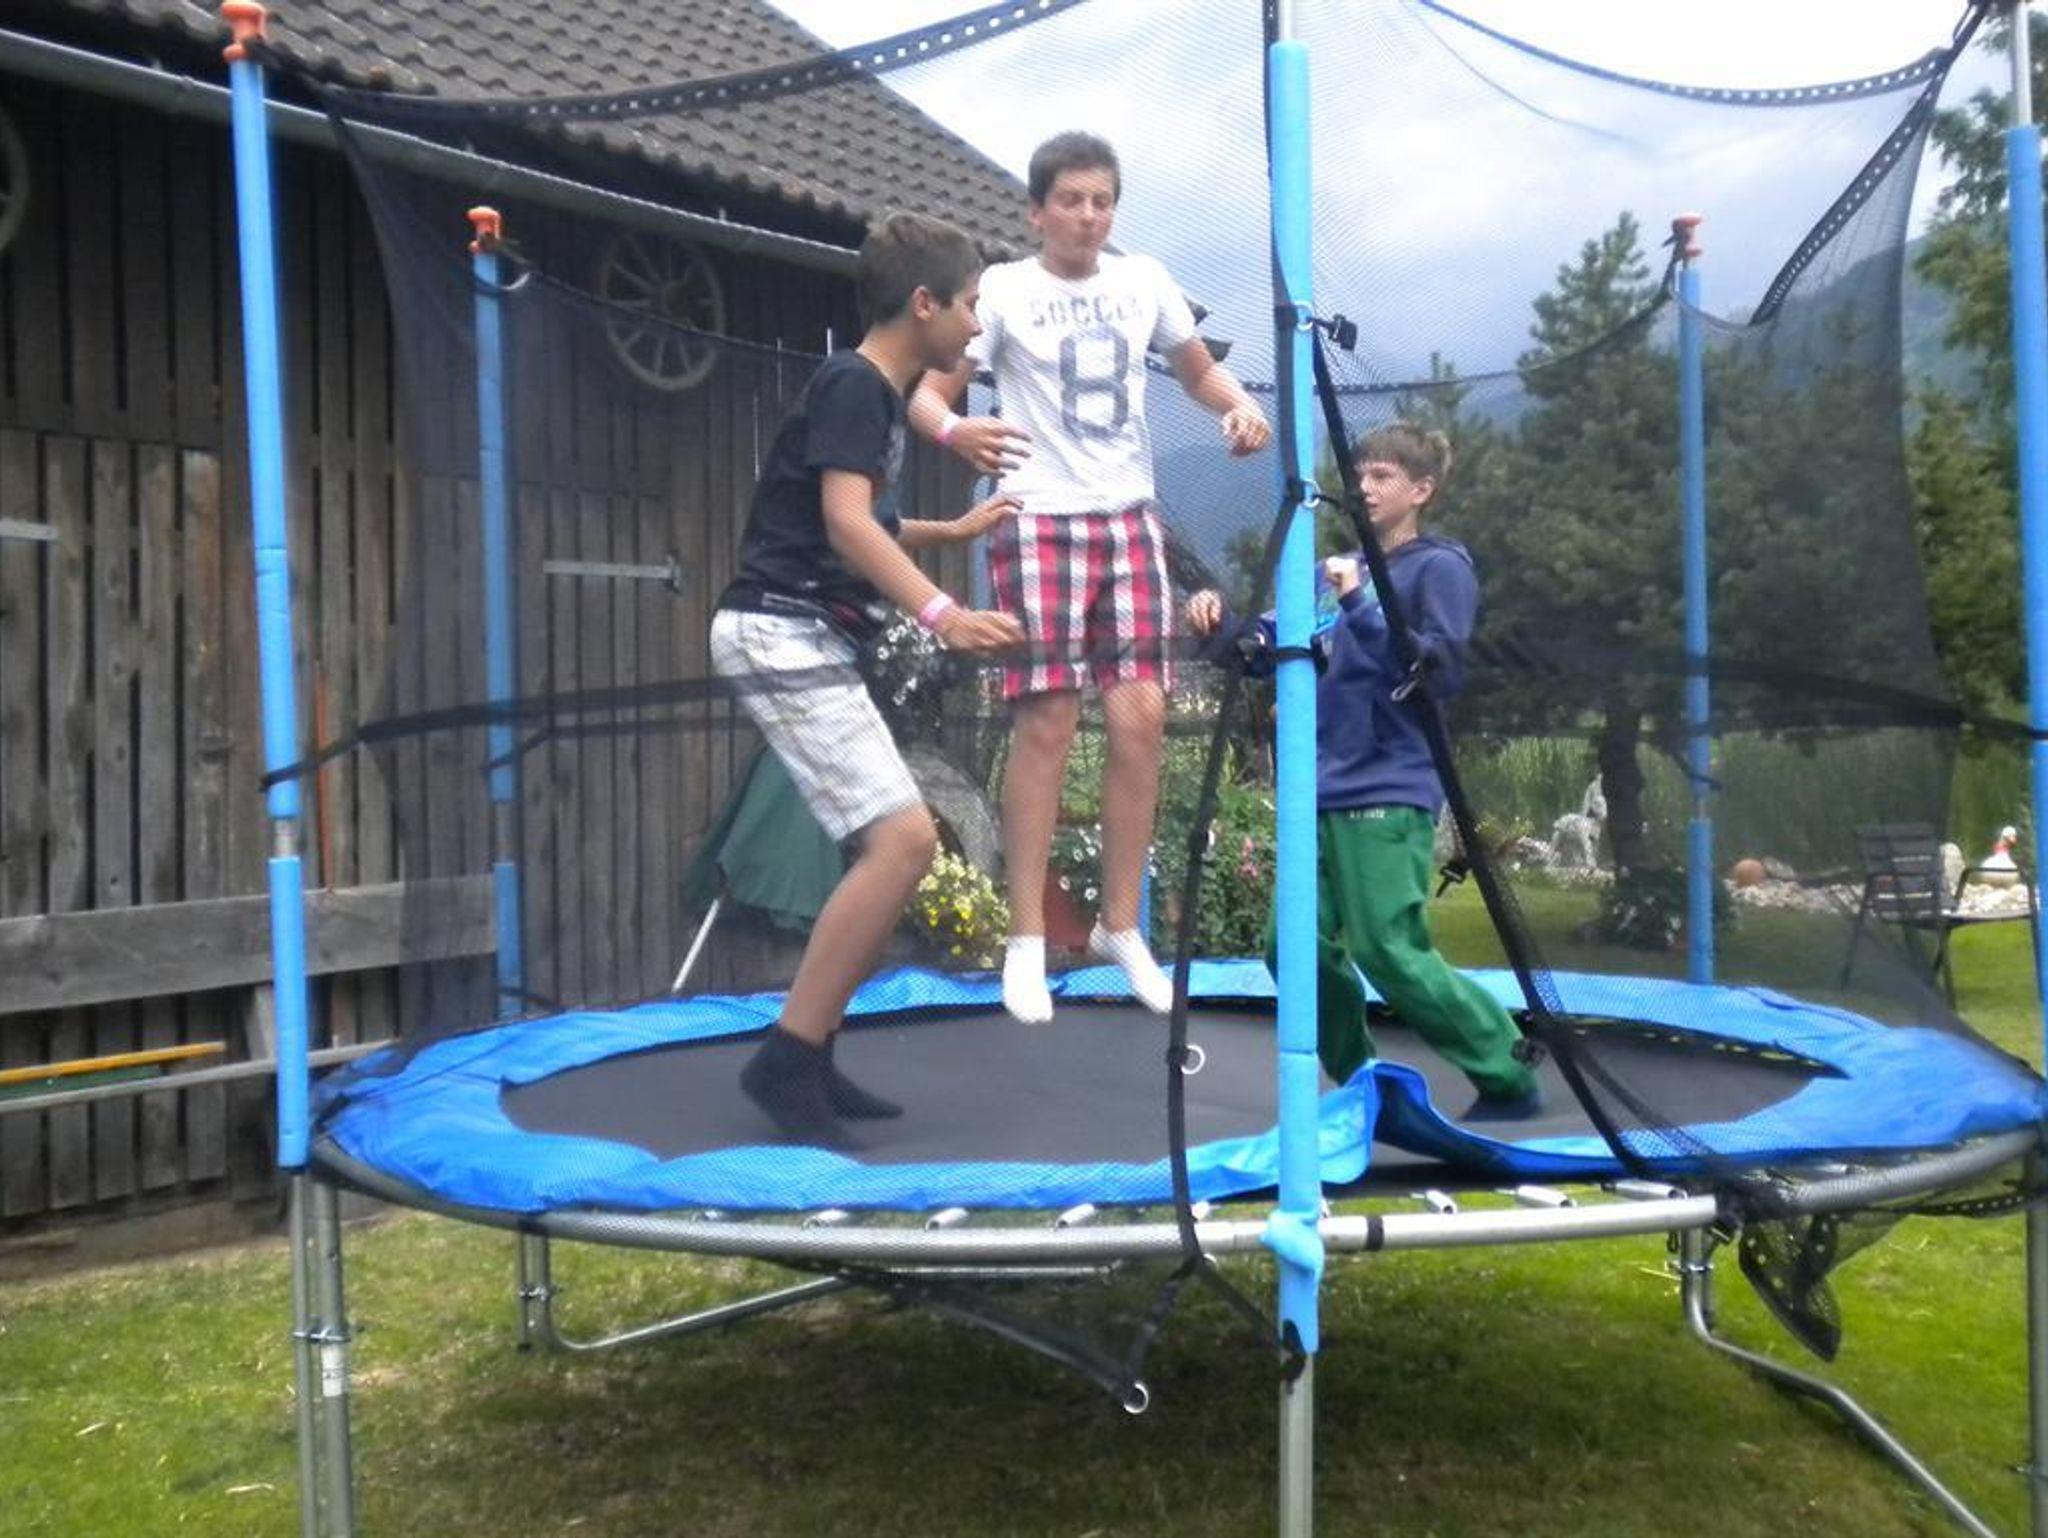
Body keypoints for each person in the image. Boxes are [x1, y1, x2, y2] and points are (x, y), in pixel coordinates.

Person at [909, 131, 1271, 1024]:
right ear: (1037, 211)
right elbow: (926, 392)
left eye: (1102, 201)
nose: (1088, 215)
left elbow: (1198, 370)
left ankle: (1120, 926)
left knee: (1141, 717)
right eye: (1071, 200)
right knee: (1048, 721)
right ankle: (1027, 940)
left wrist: (1238, 407)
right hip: (1039, 516)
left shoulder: (1143, 281)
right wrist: (955, 431)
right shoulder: (1003, 289)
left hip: (1127, 517)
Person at [712, 212, 1025, 1147]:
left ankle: (811, 1052)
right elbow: (845, 524)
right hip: (780, 630)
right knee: (904, 840)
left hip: (802, 630)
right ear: (924, 303)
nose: (977, 325)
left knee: (891, 847)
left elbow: (854, 519)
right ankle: (788, 1058)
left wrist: (950, 535)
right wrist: (942, 613)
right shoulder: (856, 384)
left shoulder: (873, 396)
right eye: (969, 304)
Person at [1186, 423, 1541, 1120]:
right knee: (1290, 947)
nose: (1366, 487)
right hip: (1317, 789)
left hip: (1389, 784)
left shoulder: (1438, 568)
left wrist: (1357, 602)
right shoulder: (1332, 572)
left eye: (1383, 476)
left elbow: (1438, 669)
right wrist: (1218, 620)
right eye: (1360, 475)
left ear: (1421, 489)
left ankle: (1507, 1071)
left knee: (1388, 947)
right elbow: (1265, 645)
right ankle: (1361, 1080)